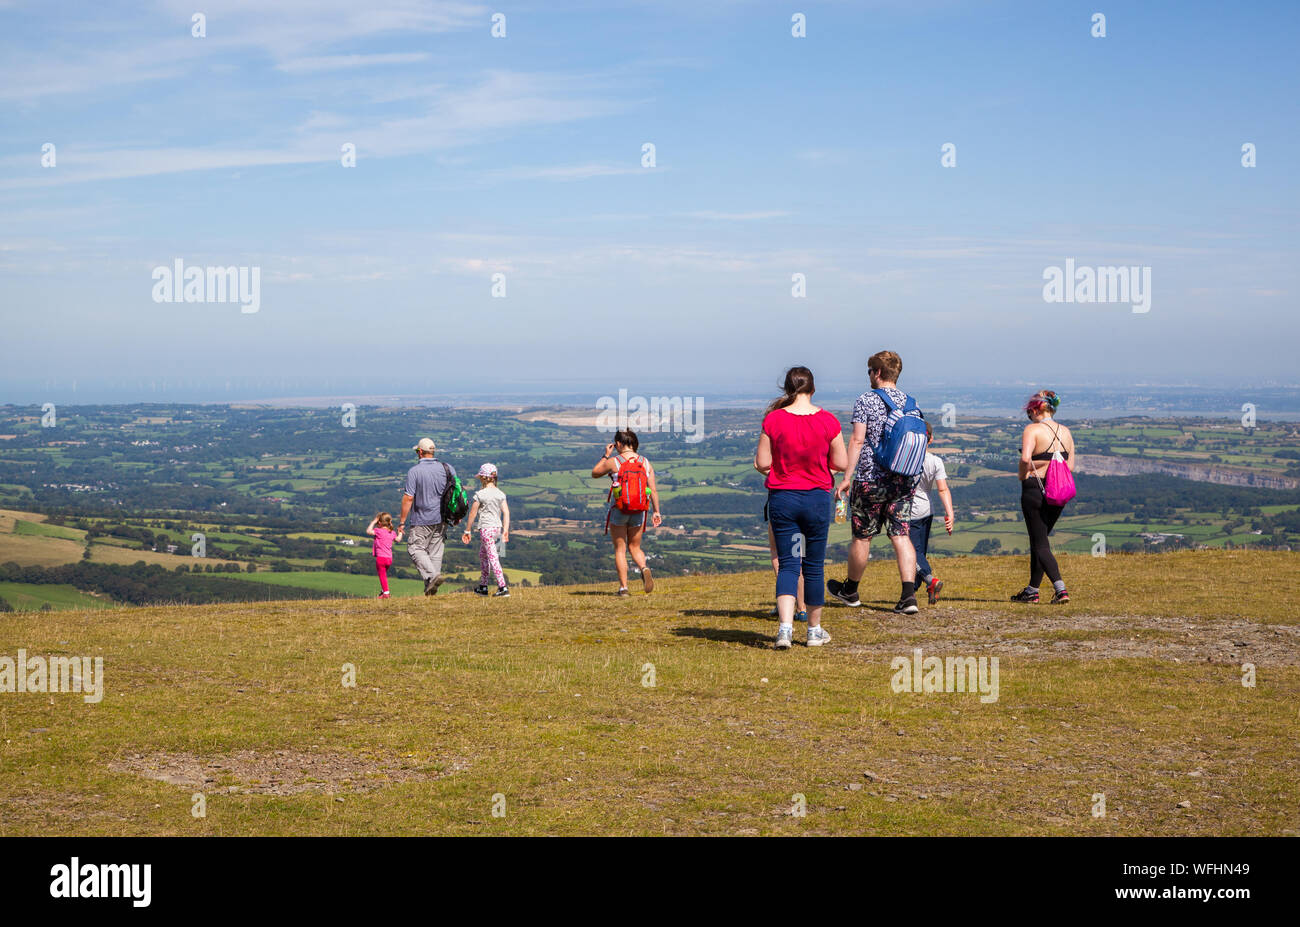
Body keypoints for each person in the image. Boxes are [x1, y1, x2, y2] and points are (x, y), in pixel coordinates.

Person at [754, 366, 849, 649]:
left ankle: (784, 629)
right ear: (813, 389)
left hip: (784, 500)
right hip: (816, 501)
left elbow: (761, 462)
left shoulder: (774, 420)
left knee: (789, 564)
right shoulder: (828, 421)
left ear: (786, 389)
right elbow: (842, 463)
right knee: (814, 565)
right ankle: (814, 631)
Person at [828, 350, 926, 614]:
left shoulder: (866, 400)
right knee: (901, 534)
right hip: (904, 480)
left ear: (878, 372)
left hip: (871, 478)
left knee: (862, 537)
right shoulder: (912, 403)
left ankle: (850, 591)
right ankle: (908, 596)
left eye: (870, 370)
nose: (869, 375)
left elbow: (857, 440)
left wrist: (847, 477)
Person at [1011, 390, 1075, 604]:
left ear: (1036, 409)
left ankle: (1061, 589)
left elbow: (1025, 458)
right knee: (1040, 540)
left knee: (1040, 543)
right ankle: (1032, 590)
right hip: (1059, 491)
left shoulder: (1033, 430)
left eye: (1029, 411)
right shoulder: (1066, 431)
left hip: (1034, 489)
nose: (1029, 415)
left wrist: (1023, 475)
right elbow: (1070, 465)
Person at [591, 430, 662, 595]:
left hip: (620, 510)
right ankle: (644, 567)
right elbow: (653, 490)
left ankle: (623, 588)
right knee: (635, 547)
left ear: (618, 444)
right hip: (639, 510)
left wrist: (605, 455)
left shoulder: (614, 461)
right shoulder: (645, 462)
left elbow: (595, 473)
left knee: (620, 549)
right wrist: (656, 512)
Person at [398, 437, 457, 595]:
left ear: (420, 452)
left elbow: (408, 498)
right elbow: (456, 492)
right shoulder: (447, 468)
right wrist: (456, 515)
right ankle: (431, 590)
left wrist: (402, 522)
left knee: (415, 548)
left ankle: (432, 577)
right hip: (443, 518)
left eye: (417, 451)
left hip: (421, 518)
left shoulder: (415, 471)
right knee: (435, 553)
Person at [908, 422, 955, 605]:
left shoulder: (906, 459)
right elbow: (943, 490)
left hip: (908, 511)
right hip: (927, 511)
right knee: (919, 553)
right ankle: (913, 592)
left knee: (911, 553)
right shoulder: (935, 461)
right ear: (931, 439)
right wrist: (949, 513)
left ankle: (930, 581)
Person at [462, 463, 511, 598]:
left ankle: (503, 587)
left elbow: (472, 513)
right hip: (497, 528)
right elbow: (506, 512)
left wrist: (467, 530)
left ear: (483, 478)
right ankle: (483, 586)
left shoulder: (480, 494)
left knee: (492, 557)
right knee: (483, 555)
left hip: (486, 529)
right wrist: (505, 530)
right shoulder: (500, 494)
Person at [767, 517, 806, 621]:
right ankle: (802, 609)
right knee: (798, 557)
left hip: (780, 510)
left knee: (776, 553)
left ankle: (783, 602)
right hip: (803, 511)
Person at [365, 512, 401, 599]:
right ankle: (383, 591)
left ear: (379, 523)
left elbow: (368, 531)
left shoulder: (378, 531)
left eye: (377, 523)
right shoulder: (391, 532)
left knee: (382, 575)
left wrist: (373, 521)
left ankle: (386, 593)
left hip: (381, 558)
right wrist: (400, 532)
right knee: (383, 575)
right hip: (389, 558)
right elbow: (398, 540)